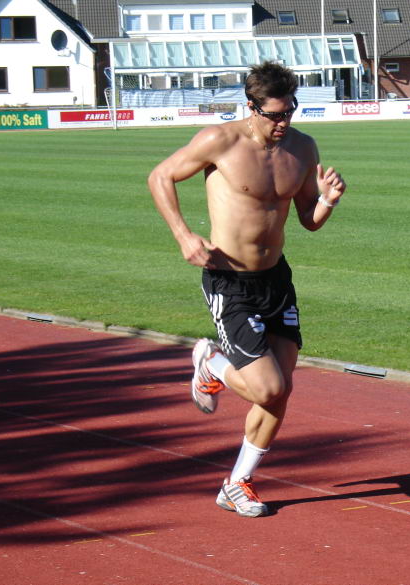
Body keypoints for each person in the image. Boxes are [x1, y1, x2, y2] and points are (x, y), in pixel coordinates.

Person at [148, 61, 346, 517]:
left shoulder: (303, 147)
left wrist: (328, 201)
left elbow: (308, 221)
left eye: (290, 111)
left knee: (281, 391)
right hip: (229, 279)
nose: (283, 122)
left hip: (276, 280)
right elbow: (160, 176)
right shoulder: (220, 141)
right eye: (274, 115)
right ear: (251, 107)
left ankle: (237, 484)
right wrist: (183, 235)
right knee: (267, 387)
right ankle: (212, 362)